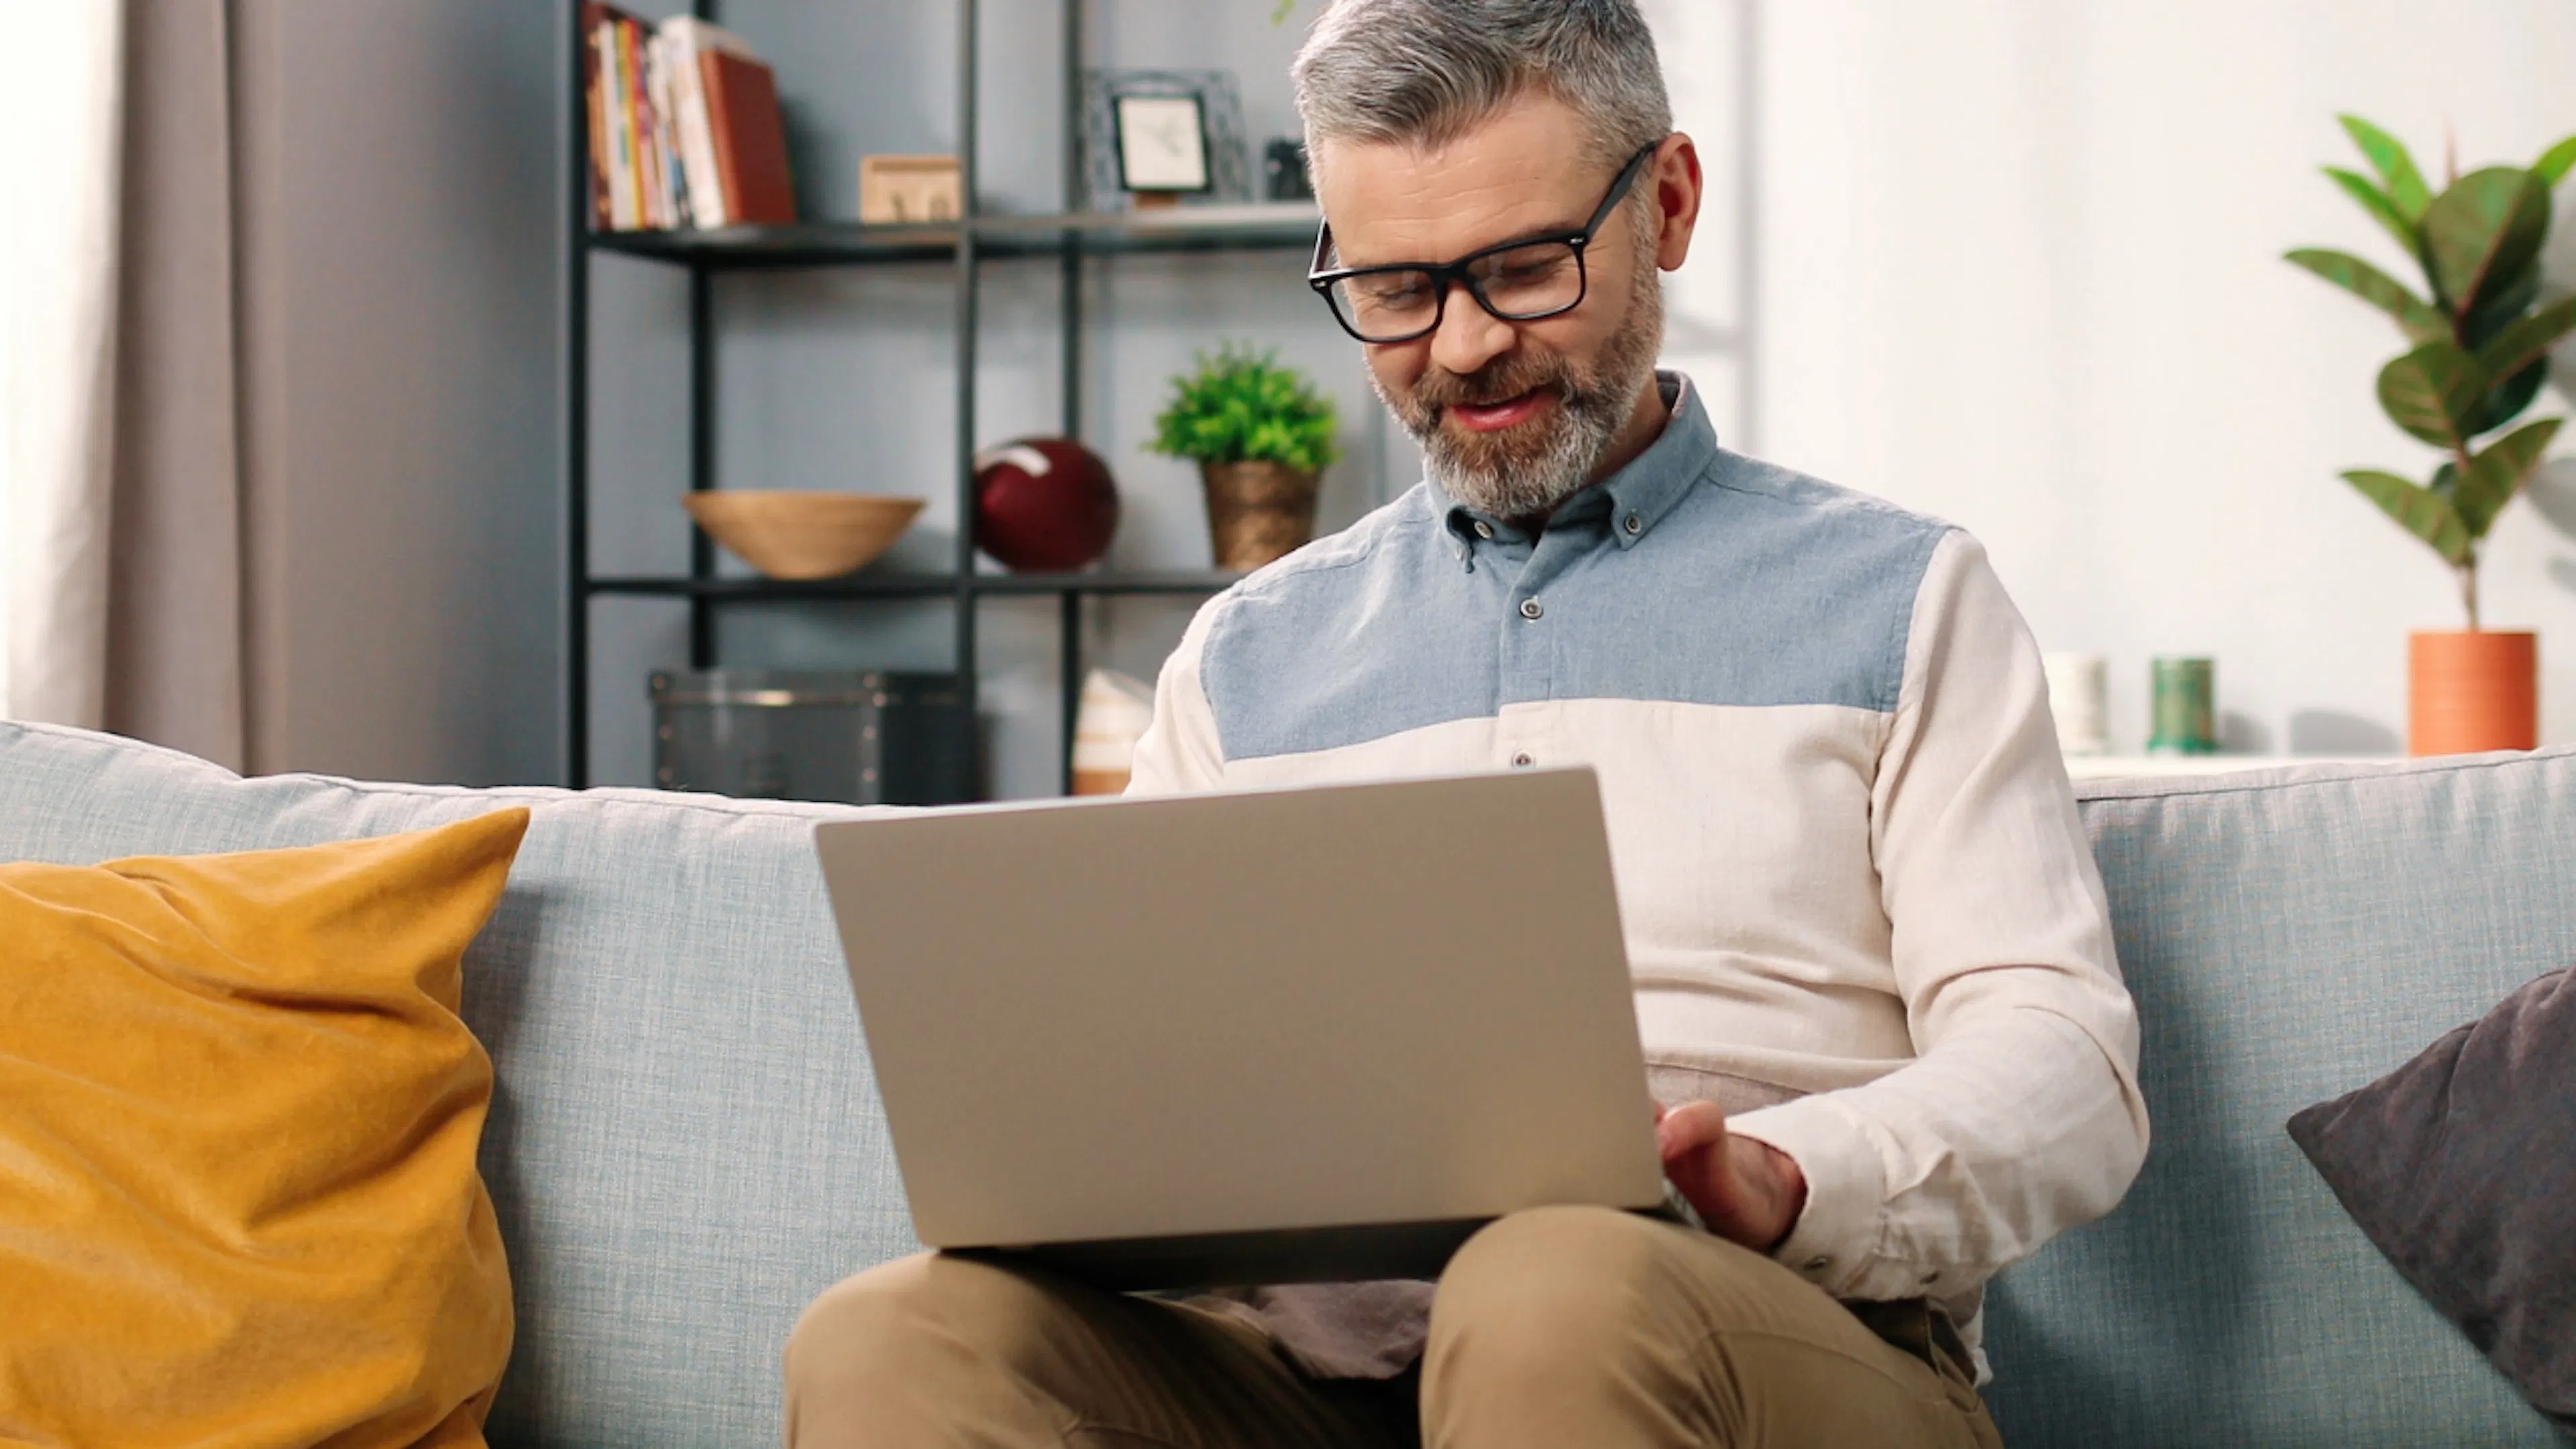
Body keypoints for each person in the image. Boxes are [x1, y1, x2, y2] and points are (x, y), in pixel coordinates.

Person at [782, 2, 2147, 1444]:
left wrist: (1791, 1177)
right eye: (1396, 288)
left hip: (1772, 1345)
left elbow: (2064, 1067)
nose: (1467, 344)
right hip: (1307, 1382)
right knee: (896, 1335)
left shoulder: (1903, 598)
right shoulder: (1245, 658)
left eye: (1522, 267)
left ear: (1668, 206)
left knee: (1553, 1282)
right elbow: (1143, 1086)